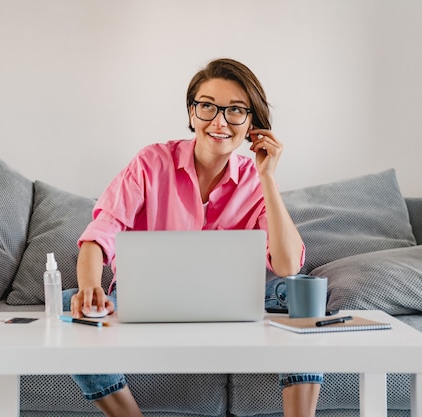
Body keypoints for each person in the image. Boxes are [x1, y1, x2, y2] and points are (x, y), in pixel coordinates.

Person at [63, 58, 322, 417]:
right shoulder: (151, 163)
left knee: (304, 295)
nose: (218, 121)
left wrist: (267, 177)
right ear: (192, 111)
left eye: (235, 110)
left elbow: (288, 264)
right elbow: (101, 232)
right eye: (207, 107)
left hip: (234, 301)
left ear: (252, 124)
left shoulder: (254, 177)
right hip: (148, 297)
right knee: (69, 309)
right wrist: (88, 286)